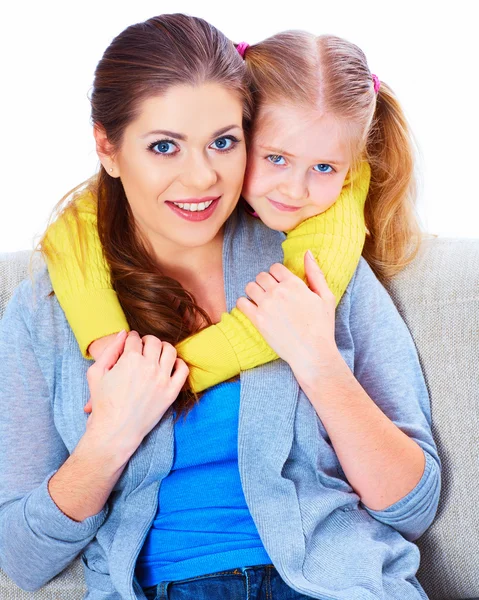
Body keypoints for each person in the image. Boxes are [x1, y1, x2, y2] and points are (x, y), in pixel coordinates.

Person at [0, 13, 440, 600]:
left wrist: (318, 361)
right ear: (107, 147)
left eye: (223, 143)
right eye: (164, 147)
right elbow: (21, 560)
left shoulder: (317, 270)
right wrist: (107, 439)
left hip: (335, 584)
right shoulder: (48, 308)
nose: (202, 177)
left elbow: (413, 505)